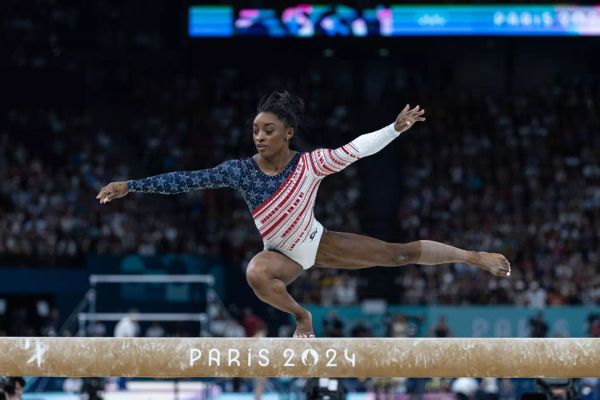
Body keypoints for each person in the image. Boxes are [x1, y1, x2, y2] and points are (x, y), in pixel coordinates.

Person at [97, 91, 511, 337]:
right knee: (256, 272)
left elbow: (357, 148)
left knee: (397, 254)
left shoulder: (310, 164)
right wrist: (131, 185)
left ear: (288, 133)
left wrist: (395, 128)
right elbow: (187, 179)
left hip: (316, 242)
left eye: (269, 130)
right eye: (255, 130)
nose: (259, 137)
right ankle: (302, 316)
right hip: (281, 254)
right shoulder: (240, 171)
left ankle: (474, 257)